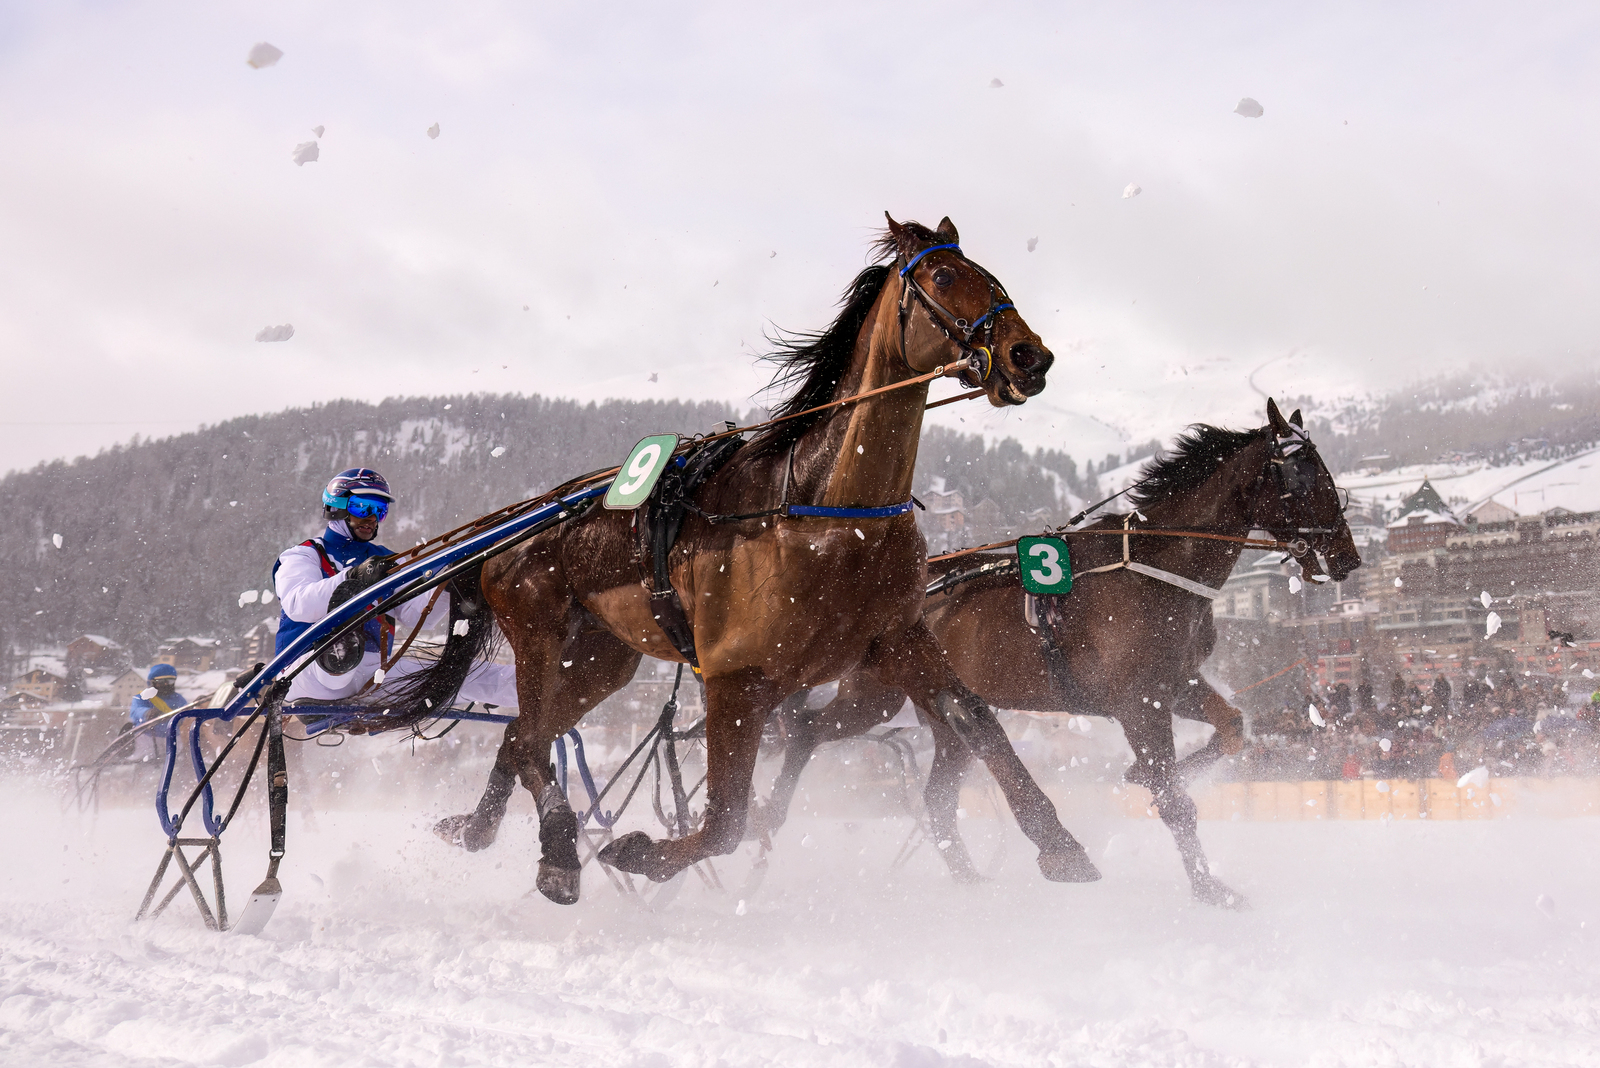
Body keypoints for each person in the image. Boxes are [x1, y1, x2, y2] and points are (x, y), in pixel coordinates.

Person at [273, 468, 519, 708]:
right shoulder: (304, 555)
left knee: (474, 676)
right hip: (307, 671)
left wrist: (450, 579)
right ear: (336, 506)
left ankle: (552, 689)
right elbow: (298, 605)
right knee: (343, 651)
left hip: (374, 675)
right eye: (364, 507)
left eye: (380, 511)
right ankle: (341, 655)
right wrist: (355, 576)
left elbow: (418, 615)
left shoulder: (388, 561)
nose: (371, 518)